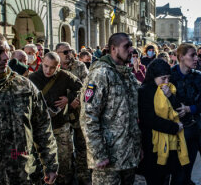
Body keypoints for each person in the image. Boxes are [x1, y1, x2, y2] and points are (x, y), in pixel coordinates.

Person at [0, 31, 58, 185]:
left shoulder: (24, 86)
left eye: (7, 51)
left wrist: (50, 163)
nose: (6, 57)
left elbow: (42, 126)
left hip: (24, 176)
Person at [80, 33, 141, 185]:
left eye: (131, 45)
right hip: (107, 160)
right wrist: (98, 154)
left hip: (127, 156)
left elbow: (133, 114)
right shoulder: (100, 74)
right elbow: (88, 116)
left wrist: (137, 146)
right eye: (126, 46)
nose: (131, 49)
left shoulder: (127, 74)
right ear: (113, 49)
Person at [29, 52, 83, 185]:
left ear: (58, 66)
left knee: (65, 164)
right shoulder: (32, 78)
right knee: (41, 167)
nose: (48, 70)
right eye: (45, 66)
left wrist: (69, 99)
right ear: (41, 63)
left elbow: (82, 88)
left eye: (52, 67)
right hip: (40, 131)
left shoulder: (64, 76)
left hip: (61, 127)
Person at [138, 59, 189, 185]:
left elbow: (178, 109)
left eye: (168, 78)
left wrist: (170, 97)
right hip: (152, 146)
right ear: (153, 77)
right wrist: (174, 127)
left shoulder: (169, 89)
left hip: (170, 145)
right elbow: (149, 119)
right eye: (163, 78)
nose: (166, 82)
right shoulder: (144, 91)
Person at [170, 43, 201, 185]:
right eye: (192, 55)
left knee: (187, 171)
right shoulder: (169, 76)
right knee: (177, 173)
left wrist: (189, 109)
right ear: (181, 57)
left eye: (196, 55)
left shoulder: (198, 76)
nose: (196, 58)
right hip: (174, 131)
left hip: (193, 130)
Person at [55, 42, 90, 185]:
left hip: (79, 112)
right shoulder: (53, 67)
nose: (68, 54)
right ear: (57, 53)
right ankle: (66, 176)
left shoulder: (79, 66)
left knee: (82, 146)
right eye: (64, 52)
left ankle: (83, 175)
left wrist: (74, 99)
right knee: (64, 149)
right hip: (61, 116)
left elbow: (88, 86)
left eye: (69, 51)